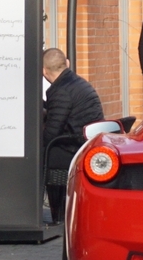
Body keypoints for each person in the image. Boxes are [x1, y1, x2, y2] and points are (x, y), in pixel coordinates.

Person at [41, 48, 103, 223]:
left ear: (44, 71)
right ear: (67, 64)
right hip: (87, 141)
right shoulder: (75, 82)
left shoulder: (61, 91)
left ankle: (58, 216)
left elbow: (52, 133)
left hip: (74, 147)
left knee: (43, 154)